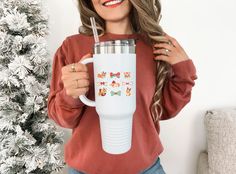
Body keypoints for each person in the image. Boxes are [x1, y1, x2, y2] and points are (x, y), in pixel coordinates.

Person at [47, 0, 197, 173]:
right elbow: (61, 118)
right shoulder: (71, 47)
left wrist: (184, 69)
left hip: (146, 168)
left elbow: (163, 110)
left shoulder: (155, 46)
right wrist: (70, 95)